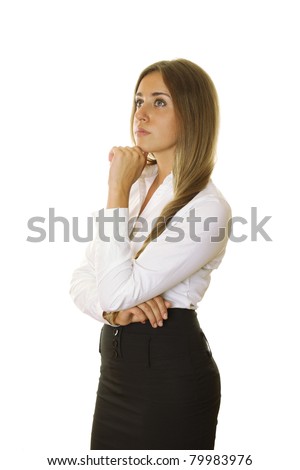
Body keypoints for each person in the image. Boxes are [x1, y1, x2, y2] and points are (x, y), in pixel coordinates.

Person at [69, 58, 232, 450]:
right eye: (138, 100)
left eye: (159, 102)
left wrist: (115, 190)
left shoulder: (207, 208)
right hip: (116, 375)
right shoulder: (138, 184)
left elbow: (115, 287)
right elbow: (82, 279)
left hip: (168, 378)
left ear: (192, 115)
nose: (140, 113)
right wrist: (112, 313)